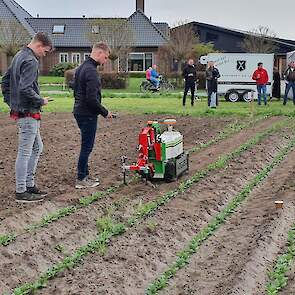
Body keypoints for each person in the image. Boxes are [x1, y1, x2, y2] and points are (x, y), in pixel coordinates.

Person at [1, 32, 53, 203]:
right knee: (25, 151)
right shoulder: (31, 60)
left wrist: (11, 102)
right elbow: (25, 88)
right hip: (28, 112)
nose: (44, 55)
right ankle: (21, 191)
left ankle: (29, 186)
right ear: (39, 45)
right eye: (45, 52)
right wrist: (41, 100)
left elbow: (5, 81)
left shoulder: (18, 56)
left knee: (37, 147)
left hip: (23, 110)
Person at [73, 42, 113, 189]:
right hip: (87, 113)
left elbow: (75, 90)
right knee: (87, 147)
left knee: (86, 145)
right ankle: (81, 178)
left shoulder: (81, 68)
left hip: (79, 111)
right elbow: (91, 99)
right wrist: (105, 112)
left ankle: (85, 174)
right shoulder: (91, 71)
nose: (106, 60)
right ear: (99, 53)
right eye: (106, 57)